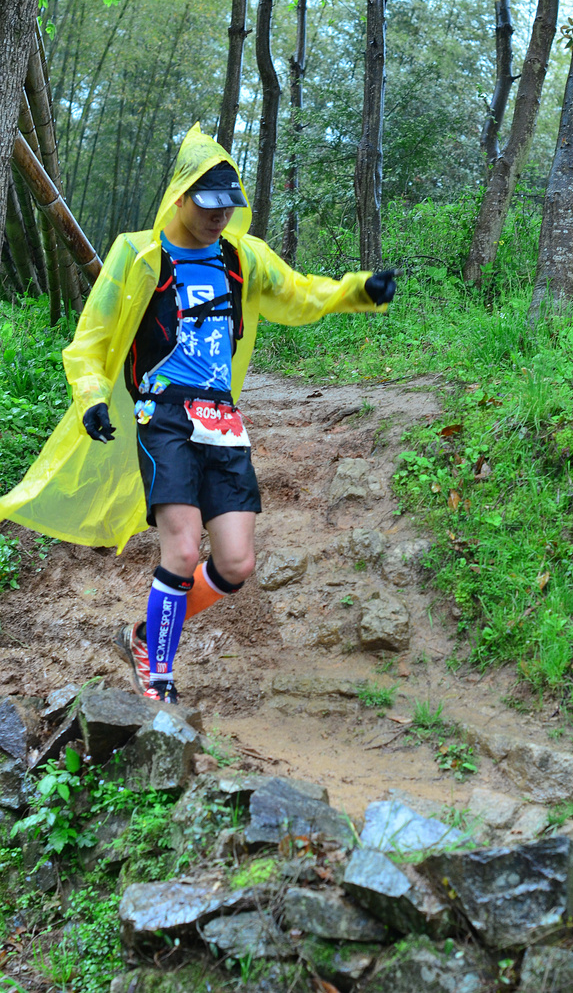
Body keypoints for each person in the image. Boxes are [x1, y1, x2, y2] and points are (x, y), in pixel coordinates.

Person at [0, 125, 396, 703]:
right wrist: (90, 399)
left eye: (228, 205)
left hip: (222, 420)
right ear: (180, 196)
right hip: (163, 416)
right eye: (207, 204)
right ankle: (157, 669)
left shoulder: (243, 257)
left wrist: (357, 290)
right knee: (183, 552)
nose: (218, 215)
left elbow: (300, 294)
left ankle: (143, 633)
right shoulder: (137, 255)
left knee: (235, 563)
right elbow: (90, 340)